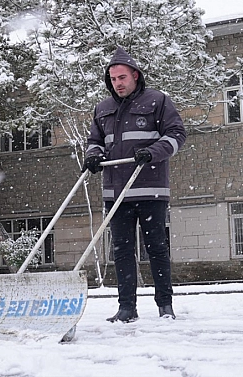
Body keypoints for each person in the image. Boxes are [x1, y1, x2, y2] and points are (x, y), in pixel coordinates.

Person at [83, 47, 186, 323]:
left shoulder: (158, 101)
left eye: (122, 77)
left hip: (150, 188)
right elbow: (94, 141)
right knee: (122, 251)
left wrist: (152, 152)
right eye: (113, 78)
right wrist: (93, 156)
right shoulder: (103, 108)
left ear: (135, 76)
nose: (118, 83)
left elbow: (177, 134)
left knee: (156, 248)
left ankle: (165, 305)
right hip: (116, 193)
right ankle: (126, 308)